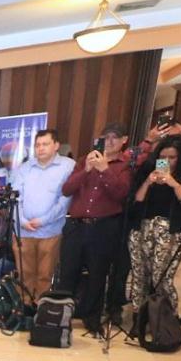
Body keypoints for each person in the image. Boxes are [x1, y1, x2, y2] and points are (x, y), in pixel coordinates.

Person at [58, 123, 134, 335]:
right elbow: (66, 189)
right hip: (76, 225)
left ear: (123, 140)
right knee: (68, 272)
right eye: (106, 137)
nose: (109, 141)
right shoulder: (84, 161)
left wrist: (105, 170)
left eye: (114, 138)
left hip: (104, 228)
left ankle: (92, 319)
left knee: (97, 275)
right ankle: (61, 315)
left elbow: (121, 194)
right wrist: (88, 170)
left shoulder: (124, 166)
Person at [128, 135, 181, 330]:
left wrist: (173, 183)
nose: (167, 161)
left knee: (162, 277)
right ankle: (138, 319)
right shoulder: (148, 171)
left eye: (172, 157)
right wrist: (147, 183)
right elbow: (135, 203)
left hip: (170, 231)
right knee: (139, 274)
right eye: (163, 156)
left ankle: (165, 320)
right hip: (141, 227)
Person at [10, 129, 76, 300]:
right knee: (25, 275)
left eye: (45, 144)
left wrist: (43, 220)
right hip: (23, 231)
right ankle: (25, 311)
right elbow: (16, 198)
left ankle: (41, 311)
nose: (40, 148)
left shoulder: (68, 166)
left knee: (45, 275)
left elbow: (65, 199)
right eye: (37, 145)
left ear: (56, 146)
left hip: (50, 231)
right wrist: (22, 221)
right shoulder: (25, 168)